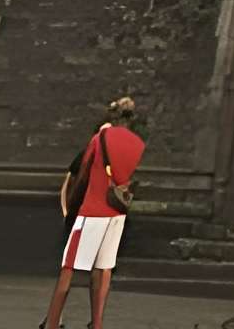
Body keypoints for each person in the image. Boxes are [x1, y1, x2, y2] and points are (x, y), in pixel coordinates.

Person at [43, 94, 146, 329]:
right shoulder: (137, 143)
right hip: (117, 212)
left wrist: (70, 210)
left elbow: (83, 175)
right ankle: (96, 324)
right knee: (104, 269)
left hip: (92, 210)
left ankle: (51, 323)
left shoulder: (101, 138)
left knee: (68, 269)